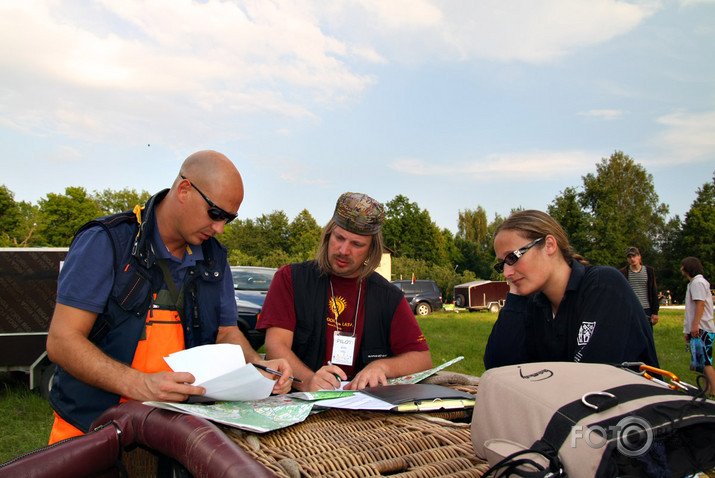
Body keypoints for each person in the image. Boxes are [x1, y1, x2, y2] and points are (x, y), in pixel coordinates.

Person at [46, 150, 293, 444]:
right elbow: (62, 341)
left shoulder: (215, 258)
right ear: (185, 190)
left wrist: (258, 367)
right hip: (92, 430)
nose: (219, 228)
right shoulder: (107, 241)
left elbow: (226, 333)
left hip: (177, 433)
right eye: (215, 214)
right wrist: (139, 383)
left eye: (229, 219)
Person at [257, 192, 433, 392]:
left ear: (371, 249)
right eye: (339, 238)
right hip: (300, 403)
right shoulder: (290, 279)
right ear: (327, 235)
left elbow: (422, 359)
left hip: (362, 412)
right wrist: (308, 380)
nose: (343, 250)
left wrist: (382, 366)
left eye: (357, 244)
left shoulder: (388, 297)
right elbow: (275, 347)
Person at [483, 210, 659, 370]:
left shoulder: (603, 287)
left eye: (512, 257)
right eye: (502, 264)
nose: (506, 272)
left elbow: (590, 378)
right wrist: (516, 298)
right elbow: (497, 368)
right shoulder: (535, 304)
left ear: (549, 245)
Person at [680, 257, 715, 395]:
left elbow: (700, 304)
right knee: (701, 363)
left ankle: (713, 391)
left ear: (688, 268)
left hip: (702, 328)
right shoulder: (695, 283)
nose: (681, 269)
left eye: (683, 266)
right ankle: (707, 391)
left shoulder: (698, 283)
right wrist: (688, 332)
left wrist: (695, 326)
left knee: (706, 362)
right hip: (698, 329)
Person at [619, 246, 659, 326]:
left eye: (634, 256)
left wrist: (655, 312)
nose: (632, 259)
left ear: (639, 256)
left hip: (646, 308)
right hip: (630, 308)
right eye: (629, 257)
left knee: (646, 334)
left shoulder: (649, 271)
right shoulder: (623, 272)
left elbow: (653, 291)